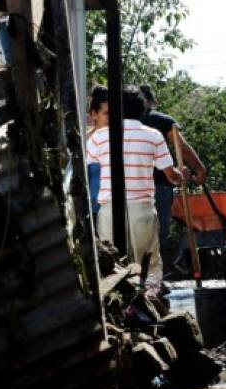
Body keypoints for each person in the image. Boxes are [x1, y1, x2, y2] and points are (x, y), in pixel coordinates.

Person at [86, 85, 192, 286]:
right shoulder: (153, 135)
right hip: (142, 210)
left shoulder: (99, 137)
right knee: (149, 265)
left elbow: (91, 164)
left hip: (109, 211)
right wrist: (182, 174)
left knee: (113, 267)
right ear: (143, 109)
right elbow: (171, 176)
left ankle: (121, 310)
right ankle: (150, 304)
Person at [138, 84, 206, 267]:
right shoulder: (163, 121)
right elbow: (181, 147)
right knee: (159, 231)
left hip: (130, 185)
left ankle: (139, 276)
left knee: (135, 231)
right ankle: (154, 277)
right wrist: (199, 169)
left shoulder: (120, 122)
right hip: (160, 184)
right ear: (152, 102)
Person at [86, 85, 109, 217]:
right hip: (91, 211)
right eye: (106, 113)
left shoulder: (119, 140)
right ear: (94, 114)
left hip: (114, 208)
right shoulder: (85, 140)